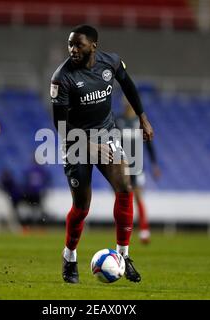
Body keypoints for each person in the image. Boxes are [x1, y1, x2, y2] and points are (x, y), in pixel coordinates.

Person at [50, 25, 154, 283]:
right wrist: (88, 145)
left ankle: (123, 256)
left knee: (125, 188)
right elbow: (60, 125)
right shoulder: (62, 78)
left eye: (79, 45)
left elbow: (129, 87)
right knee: (82, 207)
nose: (73, 49)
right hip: (75, 142)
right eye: (70, 45)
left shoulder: (112, 62)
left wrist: (142, 118)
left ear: (93, 46)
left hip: (107, 135)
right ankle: (70, 256)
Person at [115, 101, 161, 244]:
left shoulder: (140, 122)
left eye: (129, 103)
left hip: (137, 166)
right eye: (126, 104)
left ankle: (144, 230)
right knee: (121, 198)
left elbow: (149, 145)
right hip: (121, 165)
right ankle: (122, 229)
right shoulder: (118, 121)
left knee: (138, 197)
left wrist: (154, 164)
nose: (127, 106)